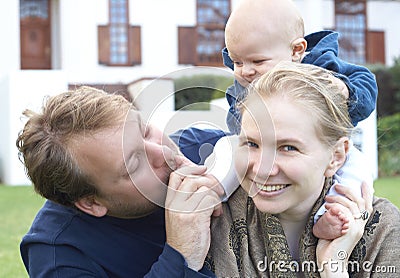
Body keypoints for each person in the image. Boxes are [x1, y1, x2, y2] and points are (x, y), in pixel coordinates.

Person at [174, 0, 377, 240]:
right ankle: (215, 187)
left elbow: (366, 82)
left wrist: (346, 89)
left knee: (358, 168)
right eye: (237, 62)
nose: (245, 71)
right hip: (255, 147)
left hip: (325, 148)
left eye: (257, 62)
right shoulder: (247, 85)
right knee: (226, 146)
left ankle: (334, 213)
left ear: (296, 51)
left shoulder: (321, 67)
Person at [198, 62, 400, 277]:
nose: (262, 169)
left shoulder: (384, 230)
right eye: (252, 144)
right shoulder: (210, 221)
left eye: (288, 148)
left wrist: (334, 269)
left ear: (336, 156)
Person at [16, 86, 221, 277]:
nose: (165, 151)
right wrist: (182, 256)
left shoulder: (207, 149)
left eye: (145, 131)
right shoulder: (59, 256)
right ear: (92, 203)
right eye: (134, 164)